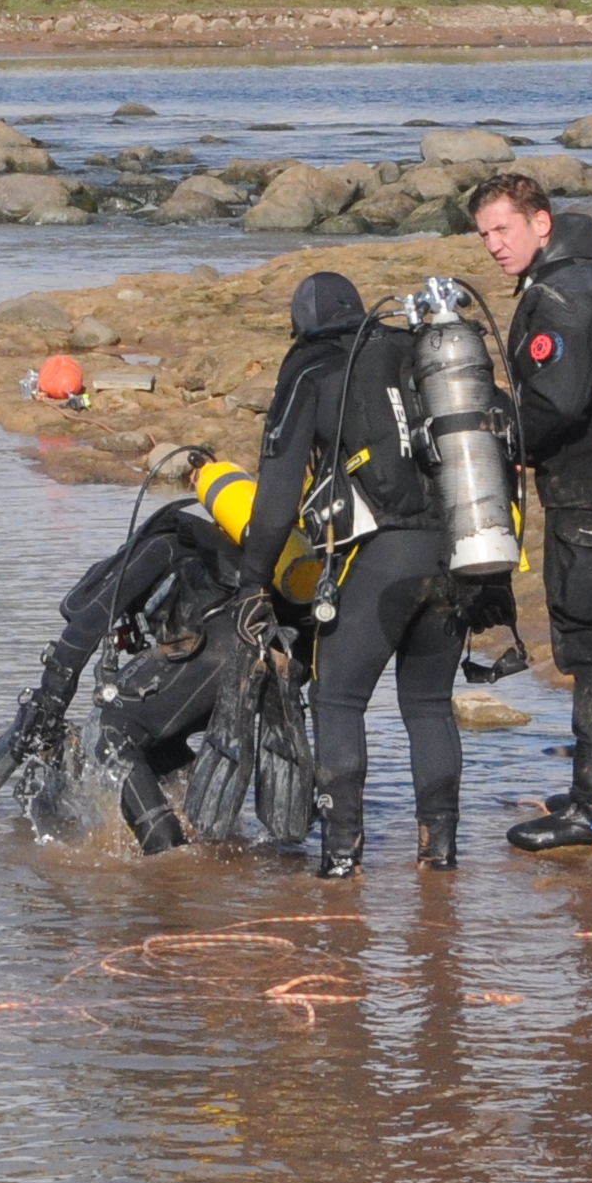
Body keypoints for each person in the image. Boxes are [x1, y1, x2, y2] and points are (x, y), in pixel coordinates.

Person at [467, 171, 592, 853]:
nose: (494, 245)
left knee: (588, 642)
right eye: (485, 234)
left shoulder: (562, 295)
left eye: (503, 229)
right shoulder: (587, 279)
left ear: (541, 222)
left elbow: (558, 403)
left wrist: (501, 432)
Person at [246, 272, 468, 877]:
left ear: (302, 327)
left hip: (388, 558)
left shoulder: (311, 368)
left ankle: (340, 861)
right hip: (459, 549)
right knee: (428, 703)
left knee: (337, 698)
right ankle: (440, 859)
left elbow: (274, 502)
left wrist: (252, 583)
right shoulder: (412, 348)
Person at [0, 463, 256, 852]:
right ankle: (222, 845)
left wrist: (47, 706)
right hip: (267, 651)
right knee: (156, 743)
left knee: (109, 729)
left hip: (223, 650)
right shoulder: (218, 550)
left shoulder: (162, 545)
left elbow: (83, 628)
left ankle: (167, 864)